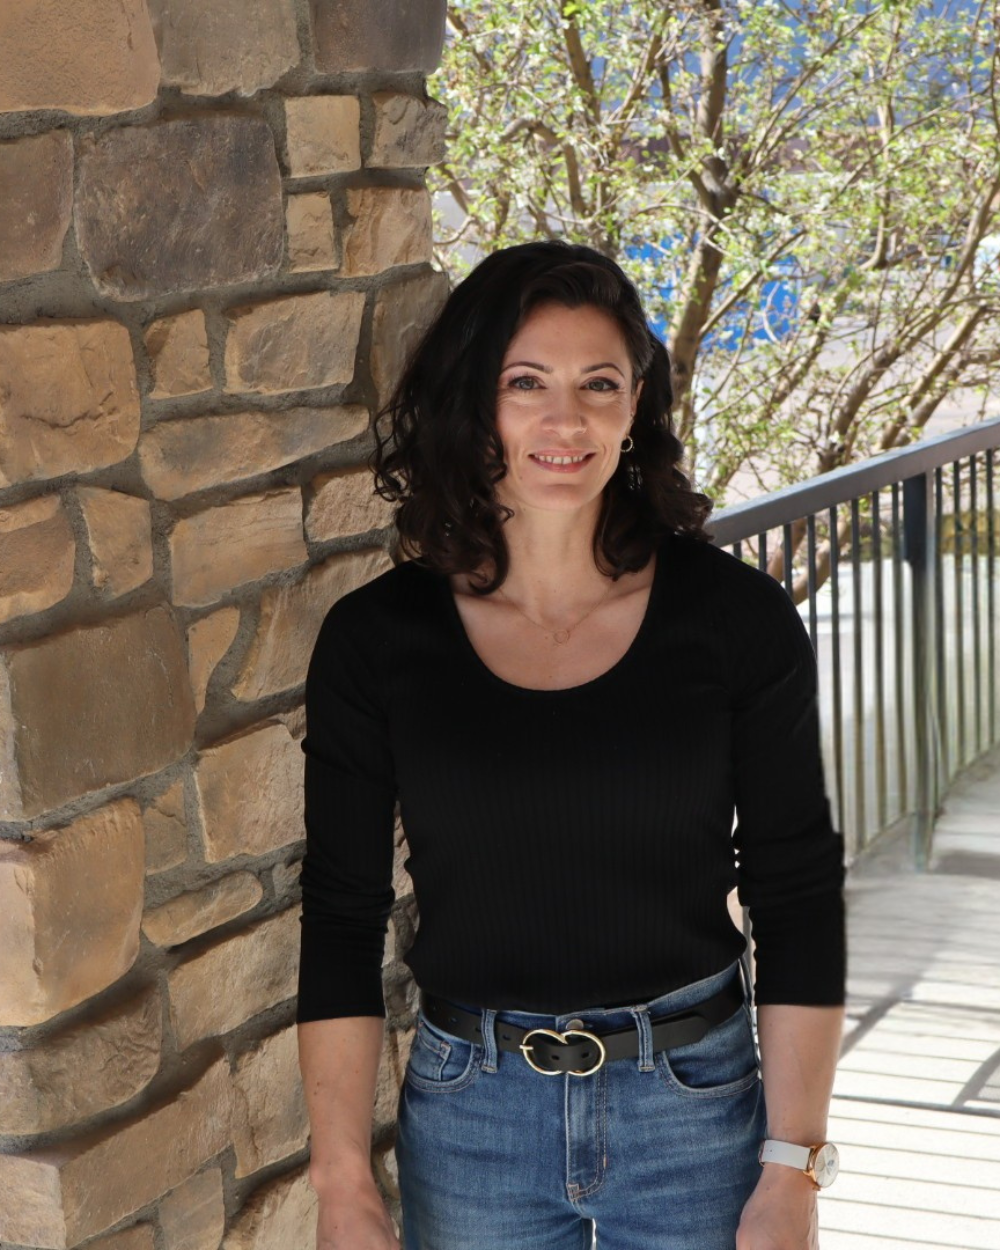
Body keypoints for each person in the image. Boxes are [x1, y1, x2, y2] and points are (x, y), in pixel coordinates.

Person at [296, 240, 846, 1250]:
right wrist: (342, 1183)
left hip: (694, 1103)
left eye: (599, 383)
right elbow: (340, 911)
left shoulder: (734, 619)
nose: (568, 419)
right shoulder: (376, 639)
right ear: (474, 401)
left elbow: (797, 890)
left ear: (636, 405)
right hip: (471, 1113)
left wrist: (794, 1165)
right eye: (526, 383)